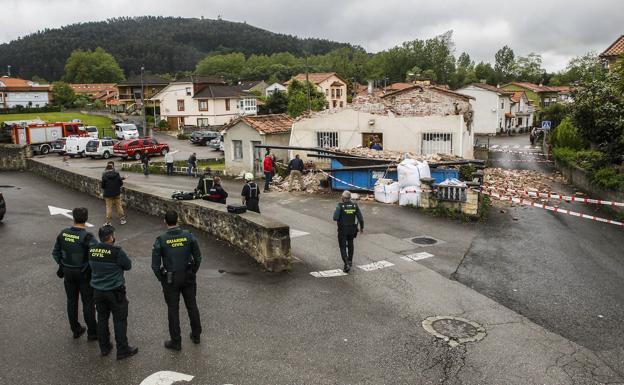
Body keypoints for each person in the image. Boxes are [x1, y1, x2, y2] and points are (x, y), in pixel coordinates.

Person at [151, 210, 202, 351]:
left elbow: (155, 266)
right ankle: (196, 335)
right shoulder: (189, 236)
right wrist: (192, 271)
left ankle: (176, 341)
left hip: (171, 278)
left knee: (173, 309)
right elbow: (198, 257)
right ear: (178, 220)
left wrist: (162, 279)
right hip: (188, 275)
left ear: (165, 221)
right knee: (192, 305)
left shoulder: (161, 240)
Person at [88, 225, 138, 360]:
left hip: (98, 291)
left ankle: (104, 347)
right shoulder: (116, 251)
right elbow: (128, 265)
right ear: (110, 237)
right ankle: (122, 350)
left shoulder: (92, 250)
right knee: (120, 320)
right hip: (115, 291)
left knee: (102, 318)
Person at [52, 207, 98, 341]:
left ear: (73, 218)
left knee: (71, 301)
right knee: (88, 303)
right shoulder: (88, 237)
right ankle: (92, 333)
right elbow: (94, 256)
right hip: (83, 273)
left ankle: (76, 329)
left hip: (67, 271)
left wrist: (62, 265)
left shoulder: (63, 234)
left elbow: (55, 253)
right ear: (86, 219)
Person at [332, 190, 364, 273]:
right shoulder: (354, 205)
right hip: (352, 229)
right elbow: (360, 218)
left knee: (342, 247)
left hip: (343, 230)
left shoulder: (340, 206)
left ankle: (346, 264)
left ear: (343, 198)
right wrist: (362, 228)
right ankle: (350, 260)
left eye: (342, 197)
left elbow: (335, 218)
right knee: (350, 244)